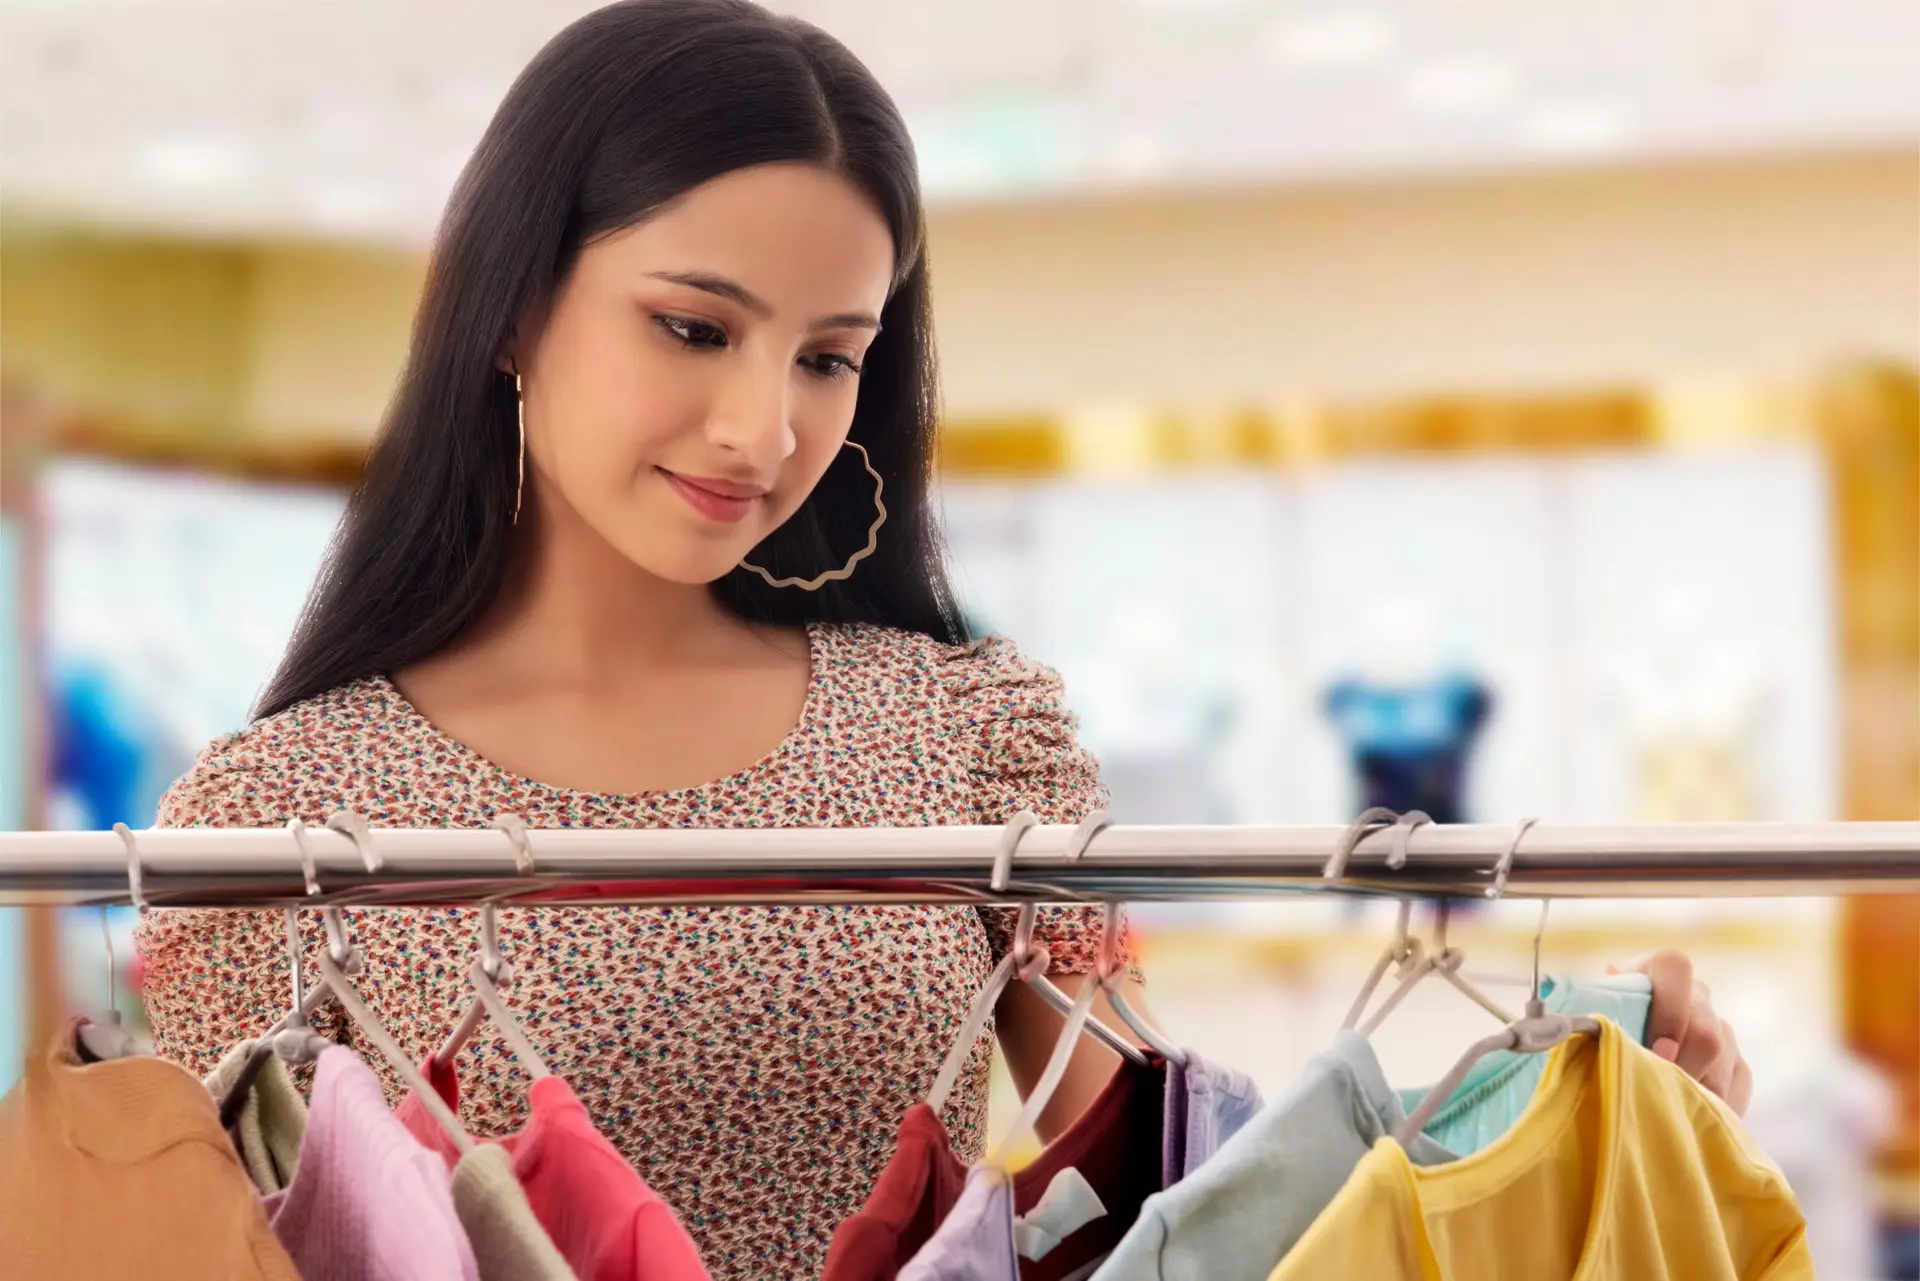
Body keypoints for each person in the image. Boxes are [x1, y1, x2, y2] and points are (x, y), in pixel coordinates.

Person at [134, 2, 1752, 1276]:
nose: (761, 428)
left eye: (829, 358)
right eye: (693, 328)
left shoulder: (965, 739)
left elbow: (1163, 1185)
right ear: (508, 306)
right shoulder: (279, 819)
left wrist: (1572, 1085)